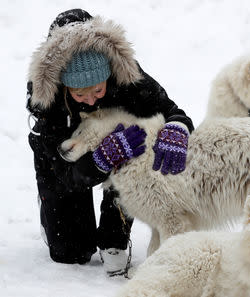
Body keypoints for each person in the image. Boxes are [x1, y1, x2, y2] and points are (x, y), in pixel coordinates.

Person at [26, 9, 194, 276]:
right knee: (71, 253)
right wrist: (99, 160)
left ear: (109, 76)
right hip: (66, 162)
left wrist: (176, 127)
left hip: (123, 149)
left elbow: (171, 110)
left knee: (131, 154)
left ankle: (113, 239)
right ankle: (53, 220)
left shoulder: (126, 75)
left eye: (98, 90)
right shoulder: (49, 100)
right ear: (65, 87)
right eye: (80, 93)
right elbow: (65, 173)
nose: (91, 100)